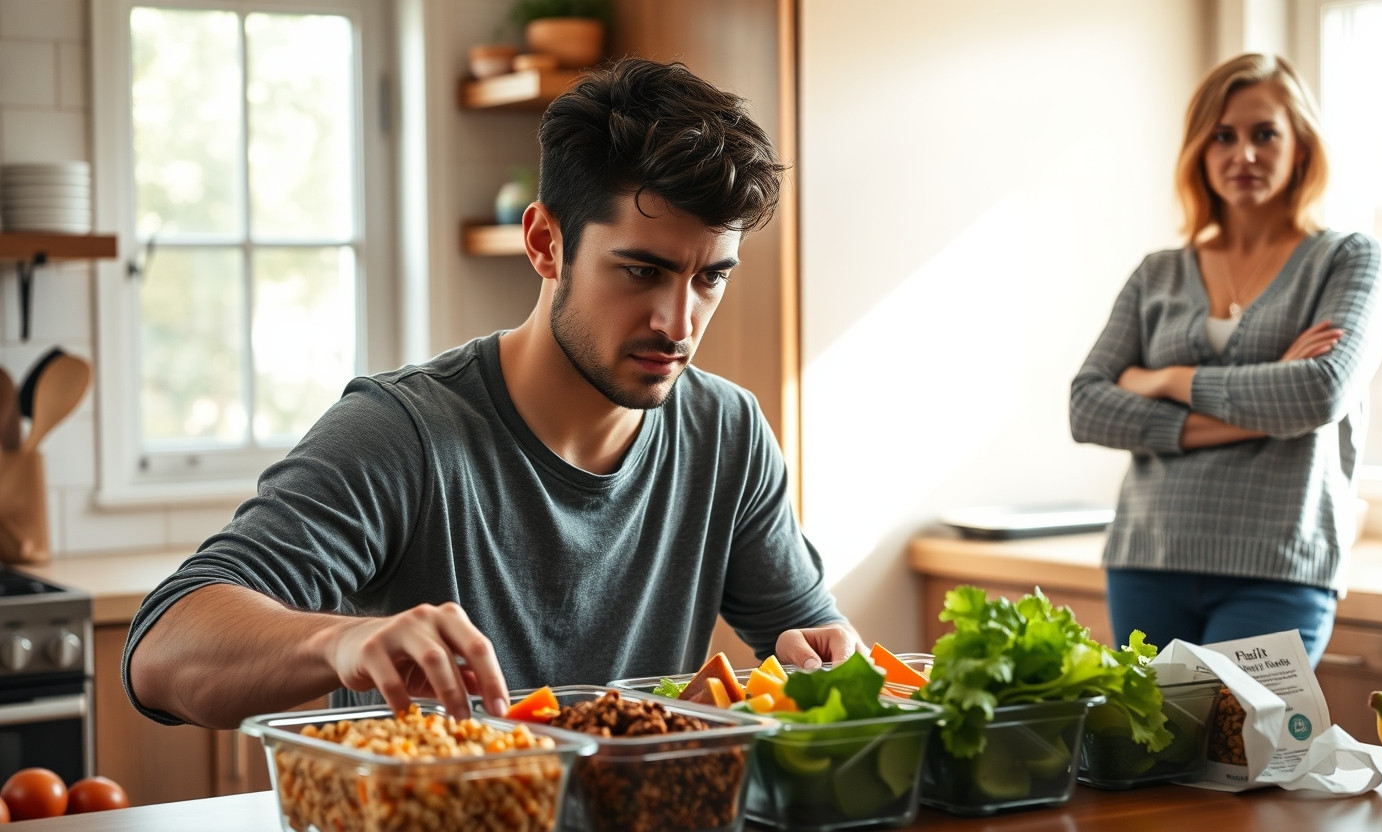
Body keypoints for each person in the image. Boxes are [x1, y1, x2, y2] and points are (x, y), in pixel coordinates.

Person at [124, 58, 861, 731]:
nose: (678, 323)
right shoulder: (400, 434)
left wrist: (826, 664)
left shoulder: (727, 432)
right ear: (544, 243)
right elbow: (162, 652)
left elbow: (814, 646)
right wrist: (341, 640)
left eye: (711, 278)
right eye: (640, 271)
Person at [1069, 53, 1382, 666]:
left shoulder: (1350, 258)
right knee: (1156, 760)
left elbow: (1318, 393)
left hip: (1277, 564)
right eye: (1223, 135)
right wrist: (1265, 406)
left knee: (1245, 759)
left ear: (1300, 147)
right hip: (1148, 556)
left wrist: (1165, 379)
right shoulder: (1157, 273)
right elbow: (1087, 406)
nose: (1243, 153)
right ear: (1200, 151)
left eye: (1264, 133)